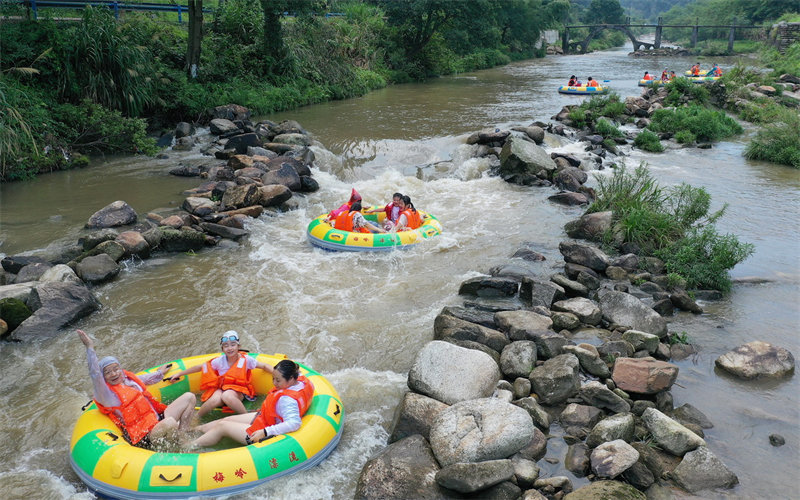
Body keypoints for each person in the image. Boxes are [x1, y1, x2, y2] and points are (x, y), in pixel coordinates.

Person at [77, 329, 195, 446]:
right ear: (103, 377)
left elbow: (145, 379)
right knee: (170, 422)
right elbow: (95, 374)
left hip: (155, 419)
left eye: (116, 369)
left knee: (189, 397)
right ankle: (175, 445)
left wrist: (160, 373)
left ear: (120, 369)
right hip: (143, 435)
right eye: (107, 372)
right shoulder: (106, 393)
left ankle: (183, 436)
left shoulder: (128, 379)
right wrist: (89, 347)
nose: (113, 374)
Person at [190, 360, 314, 447]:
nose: (274, 383)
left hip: (264, 433)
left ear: (291, 378)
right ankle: (193, 430)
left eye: (278, 380)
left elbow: (294, 423)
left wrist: (265, 432)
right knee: (226, 419)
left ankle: (189, 447)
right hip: (266, 418)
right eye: (273, 379)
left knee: (223, 426)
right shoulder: (301, 381)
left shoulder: (287, 400)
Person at [168, 331, 273, 418]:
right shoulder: (219, 361)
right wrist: (180, 373)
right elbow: (201, 367)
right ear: (222, 349)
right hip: (222, 388)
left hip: (237, 391)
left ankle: (246, 417)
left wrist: (279, 375)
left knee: (227, 395)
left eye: (233, 345)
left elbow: (264, 366)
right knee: (215, 398)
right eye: (226, 346)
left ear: (238, 346)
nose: (230, 348)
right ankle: (197, 418)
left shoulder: (246, 360)